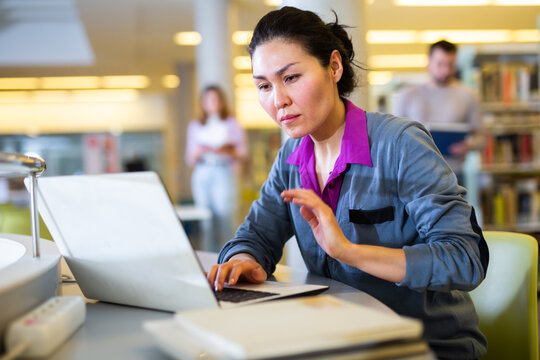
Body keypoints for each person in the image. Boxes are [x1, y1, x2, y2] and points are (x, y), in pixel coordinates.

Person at [207, 7, 488, 359]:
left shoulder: (400, 144)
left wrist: (349, 252)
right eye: (264, 85)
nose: (277, 100)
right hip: (341, 341)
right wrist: (243, 258)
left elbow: (465, 258)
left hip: (427, 346)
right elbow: (257, 235)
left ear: (334, 67)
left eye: (291, 77)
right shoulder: (291, 159)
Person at [393, 40, 483, 175]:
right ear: (428, 62)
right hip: (414, 173)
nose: (445, 70)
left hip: (453, 174)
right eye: (440, 64)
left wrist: (467, 146)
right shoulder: (407, 96)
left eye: (450, 65)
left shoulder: (469, 96)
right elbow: (394, 137)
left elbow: (481, 138)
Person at [185, 85, 247, 252]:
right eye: (209, 99)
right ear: (203, 103)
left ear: (222, 101)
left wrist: (227, 150)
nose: (213, 103)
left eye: (216, 99)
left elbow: (242, 152)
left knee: (225, 216)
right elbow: (189, 158)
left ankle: (230, 255)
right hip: (203, 172)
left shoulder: (232, 123)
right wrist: (200, 150)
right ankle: (209, 259)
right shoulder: (196, 125)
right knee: (206, 219)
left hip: (223, 170)